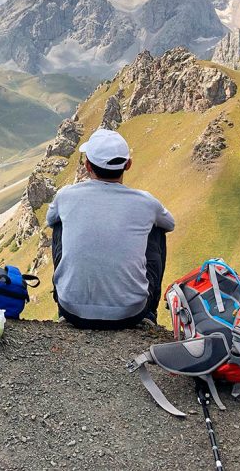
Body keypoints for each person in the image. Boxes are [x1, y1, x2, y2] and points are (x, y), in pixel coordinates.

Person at [47, 128, 175, 330]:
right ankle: (149, 314)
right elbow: (170, 224)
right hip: (130, 313)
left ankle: (63, 306)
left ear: (87, 165)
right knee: (156, 229)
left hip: (72, 312)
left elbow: (49, 219)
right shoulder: (146, 202)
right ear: (128, 165)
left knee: (58, 222)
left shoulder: (65, 195)